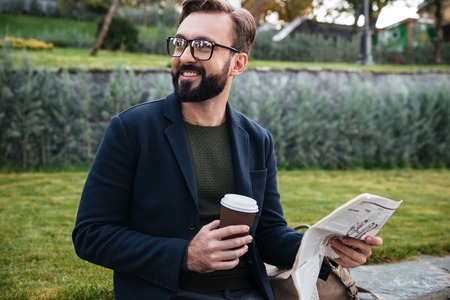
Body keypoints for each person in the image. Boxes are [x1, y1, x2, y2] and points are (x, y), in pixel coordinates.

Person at [72, 0, 383, 299]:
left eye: (203, 46)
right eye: (180, 43)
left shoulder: (257, 138)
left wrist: (329, 249)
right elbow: (91, 234)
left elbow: (269, 233)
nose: (186, 56)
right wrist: (185, 255)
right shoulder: (132, 129)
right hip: (168, 293)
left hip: (250, 293)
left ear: (238, 63)